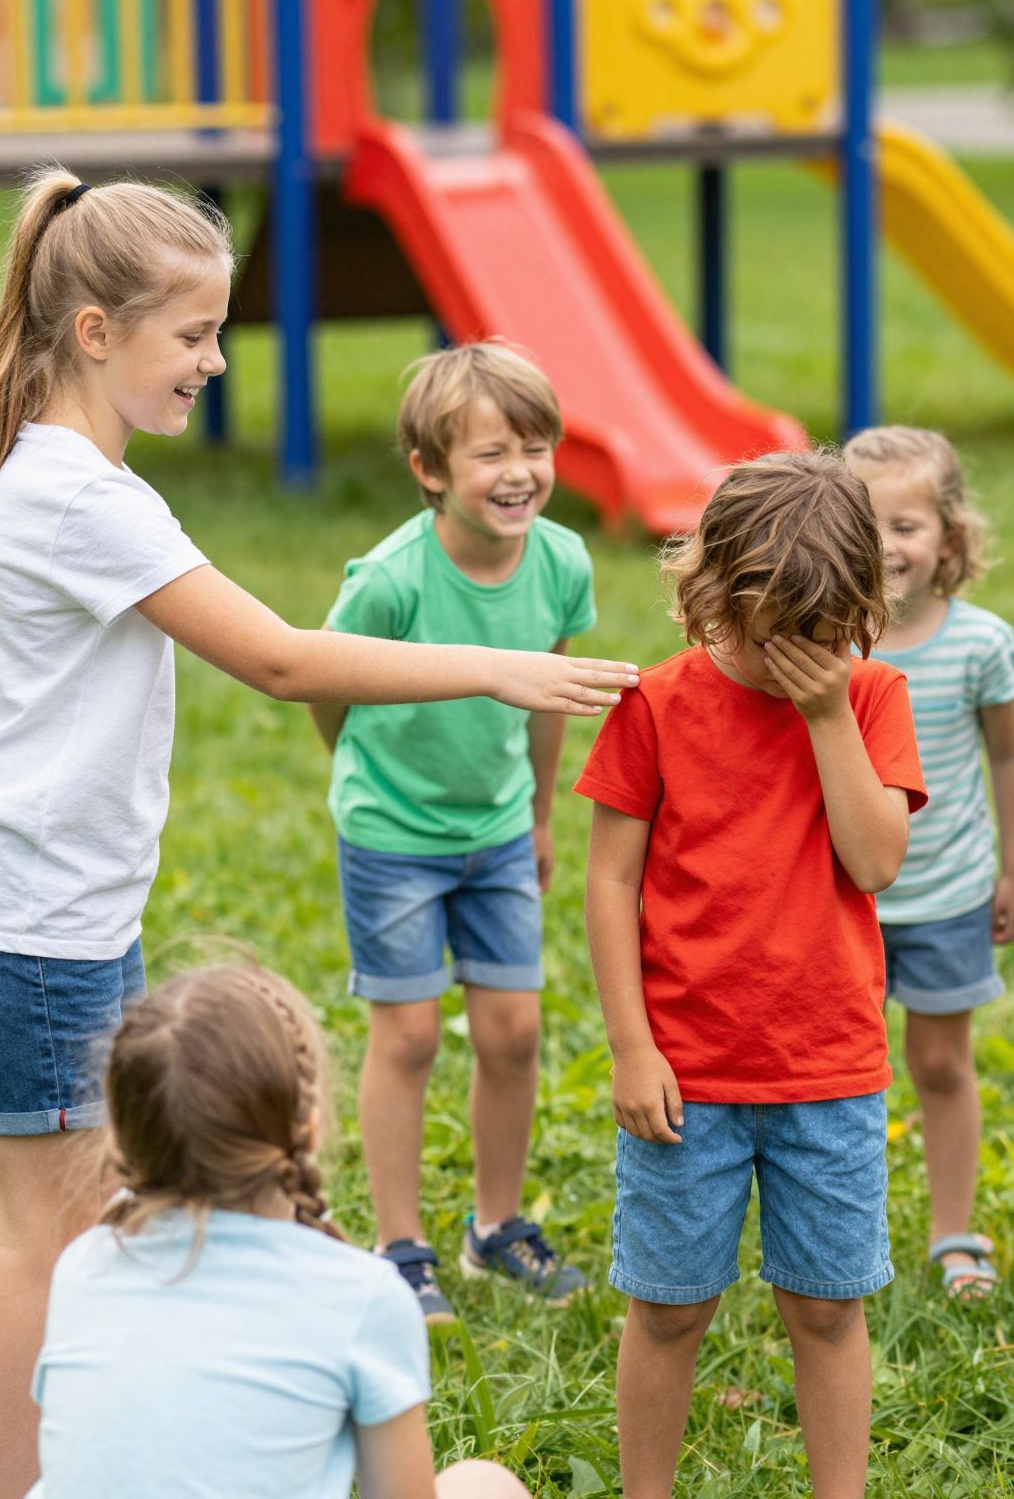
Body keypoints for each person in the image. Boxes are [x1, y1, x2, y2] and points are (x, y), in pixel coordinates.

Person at [0, 169, 634, 1499]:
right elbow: (291, 665)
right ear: (94, 333)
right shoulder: (81, 497)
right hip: (28, 923)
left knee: (86, 1225)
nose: (216, 362)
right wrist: (493, 668)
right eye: (192, 336)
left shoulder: (57, 464)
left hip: (37, 909)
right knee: (44, 1243)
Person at [577, 452, 925, 1499]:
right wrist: (632, 1050)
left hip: (827, 1070)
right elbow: (607, 884)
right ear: (712, 592)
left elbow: (873, 863)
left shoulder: (869, 699)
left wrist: (824, 714)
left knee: (825, 1305)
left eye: (815, 638)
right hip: (686, 1076)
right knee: (669, 1306)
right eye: (766, 632)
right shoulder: (655, 704)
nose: (789, 660)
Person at [310, 342, 593, 1322]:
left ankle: (494, 1229)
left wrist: (541, 812)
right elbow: (325, 684)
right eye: (491, 453)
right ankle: (399, 1248)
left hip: (501, 830)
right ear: (430, 470)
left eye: (536, 445)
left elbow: (548, 697)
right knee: (411, 1035)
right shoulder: (390, 579)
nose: (519, 472)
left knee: (512, 1031)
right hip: (393, 834)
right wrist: (360, 778)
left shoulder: (561, 561)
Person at [27, 960, 529, 1499]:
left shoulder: (83, 1266)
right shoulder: (365, 1297)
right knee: (485, 1486)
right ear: (309, 1132)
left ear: (121, 1142)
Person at [844, 427, 1014, 1301]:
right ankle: (842, 1228)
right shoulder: (827, 646)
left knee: (942, 1065)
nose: (886, 545)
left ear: (950, 537)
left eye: (907, 525)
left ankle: (955, 1233)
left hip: (950, 893)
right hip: (840, 900)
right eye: (865, 523)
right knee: (838, 1075)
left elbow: (1008, 761)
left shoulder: (982, 643)